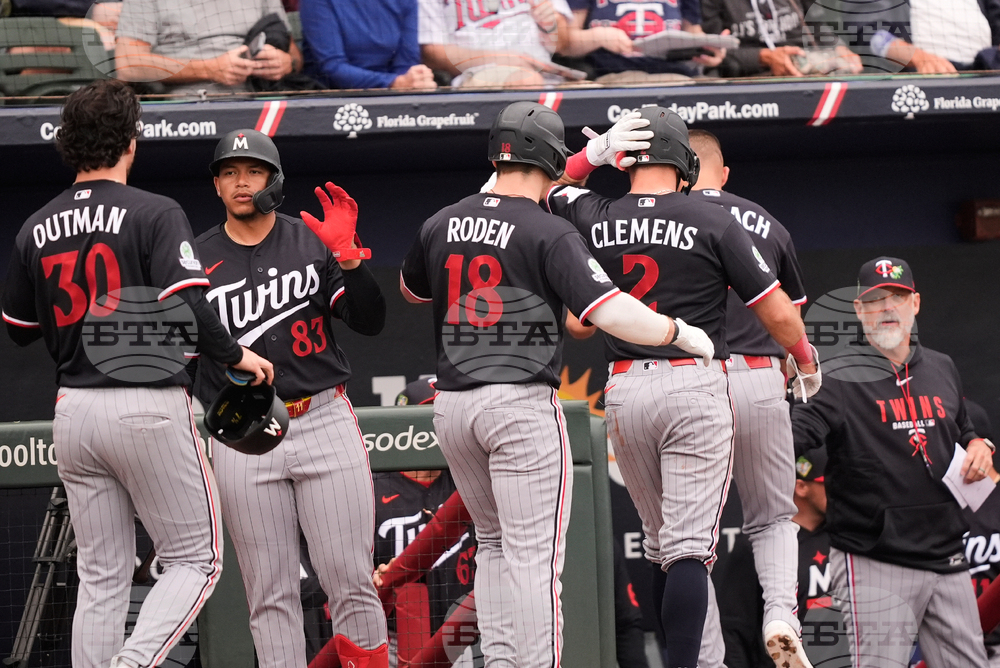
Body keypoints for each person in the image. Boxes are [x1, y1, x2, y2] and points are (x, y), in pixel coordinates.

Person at [400, 100, 716, 668]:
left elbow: (412, 291)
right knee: (532, 558)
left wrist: (582, 162)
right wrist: (678, 330)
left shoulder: (439, 220)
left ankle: (498, 662)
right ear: (549, 157)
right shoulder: (548, 229)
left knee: (493, 546)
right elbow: (612, 312)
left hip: (451, 407)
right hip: (519, 403)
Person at [1, 80, 273, 668]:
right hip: (146, 404)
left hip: (73, 408)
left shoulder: (34, 226)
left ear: (66, 143)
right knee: (195, 559)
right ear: (131, 141)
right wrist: (235, 356)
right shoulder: (153, 210)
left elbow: (19, 328)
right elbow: (190, 305)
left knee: (101, 574)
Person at [544, 106, 820, 668]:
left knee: (660, 544)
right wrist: (804, 356)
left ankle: (700, 660)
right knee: (700, 545)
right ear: (686, 164)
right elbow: (779, 314)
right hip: (697, 382)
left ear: (627, 158)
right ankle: (748, 631)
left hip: (623, 387)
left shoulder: (593, 211)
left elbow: (544, 187)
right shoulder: (715, 219)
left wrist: (591, 159)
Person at [192, 129, 389, 668]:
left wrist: (348, 257)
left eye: (252, 170)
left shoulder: (310, 240)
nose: (241, 181)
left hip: (322, 418)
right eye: (229, 172)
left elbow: (370, 320)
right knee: (270, 594)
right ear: (215, 184)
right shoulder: (196, 257)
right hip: (242, 433)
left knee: (350, 578)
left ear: (273, 179)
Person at [791, 256, 995, 668]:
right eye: (876, 300)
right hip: (874, 557)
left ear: (915, 304)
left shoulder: (942, 366)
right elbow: (792, 436)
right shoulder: (836, 377)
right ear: (858, 310)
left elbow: (964, 429)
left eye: (897, 298)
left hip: (947, 556)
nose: (888, 309)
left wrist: (980, 444)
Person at [679, 129, 813, 668]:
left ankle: (708, 658)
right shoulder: (766, 223)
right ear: (724, 172)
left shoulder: (658, 222)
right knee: (773, 518)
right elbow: (789, 318)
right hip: (759, 376)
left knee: (687, 541)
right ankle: (780, 614)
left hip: (689, 380)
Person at [715, 447, 831, 668]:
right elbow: (734, 630)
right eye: (829, 481)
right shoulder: (756, 544)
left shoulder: (848, 536)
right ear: (801, 486)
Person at [114, 0, 303, 96]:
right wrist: (210, 69)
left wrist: (286, 63)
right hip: (184, 108)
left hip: (260, 100)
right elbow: (129, 65)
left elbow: (294, 56)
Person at [418, 0, 575, 88]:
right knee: (526, 81)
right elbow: (432, 53)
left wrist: (552, 24)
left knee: (595, 94)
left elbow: (563, 45)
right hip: (479, 76)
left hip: (549, 76)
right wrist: (504, 59)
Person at [562, 0, 728, 83]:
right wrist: (598, 36)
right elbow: (564, 44)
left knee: (726, 92)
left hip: (679, 73)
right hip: (615, 75)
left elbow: (692, 31)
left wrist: (710, 47)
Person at [299, 0, 436, 90]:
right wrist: (393, 83)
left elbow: (406, 64)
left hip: (392, 95)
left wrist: (409, 80)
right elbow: (333, 67)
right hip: (330, 98)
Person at [701, 0, 861, 76]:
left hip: (806, 66)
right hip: (750, 76)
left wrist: (838, 47)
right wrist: (764, 57)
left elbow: (817, 25)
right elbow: (712, 53)